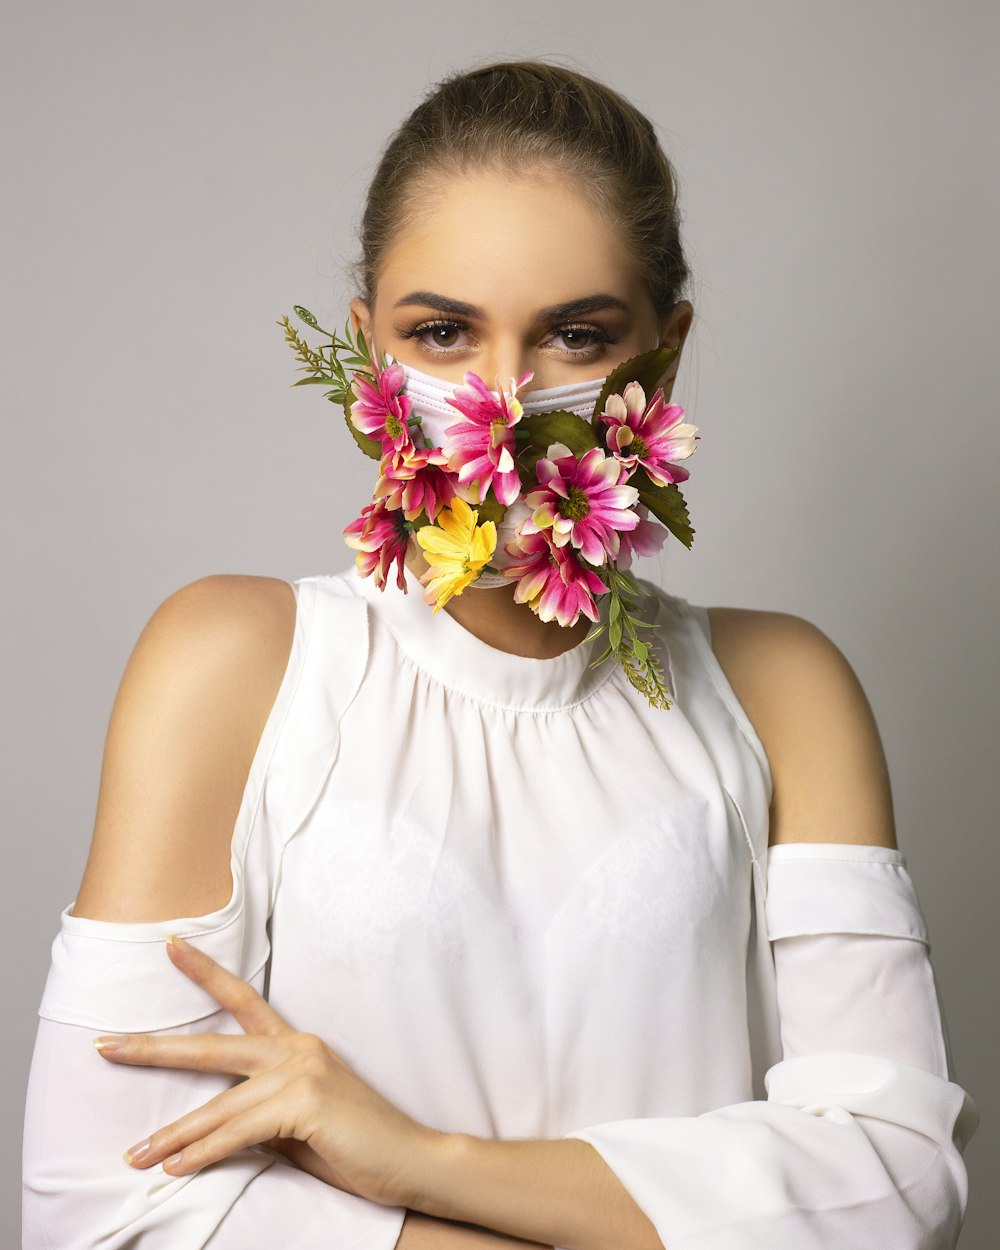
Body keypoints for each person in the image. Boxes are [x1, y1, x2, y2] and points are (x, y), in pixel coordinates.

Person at [22, 58, 979, 1250]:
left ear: (661, 355)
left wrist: (425, 1162)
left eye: (574, 334)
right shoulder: (237, 663)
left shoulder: (781, 690)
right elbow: (99, 1208)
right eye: (442, 331)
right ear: (368, 348)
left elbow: (895, 1180)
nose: (504, 400)